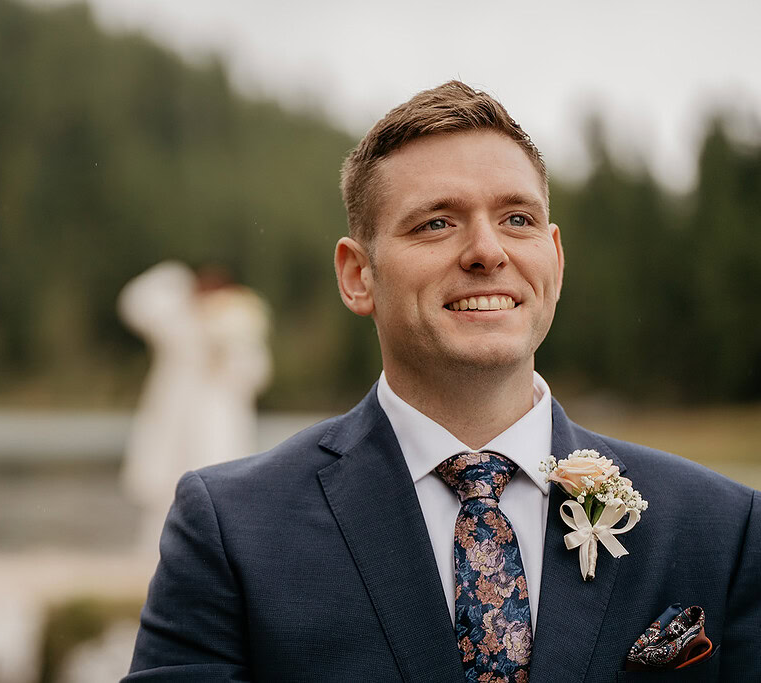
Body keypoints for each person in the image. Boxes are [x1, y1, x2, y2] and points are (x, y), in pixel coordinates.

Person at [124, 81, 760, 681]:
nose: (488, 251)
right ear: (357, 276)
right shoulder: (232, 529)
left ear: (556, 260)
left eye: (517, 219)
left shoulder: (721, 529)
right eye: (436, 222)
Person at [118, 261, 271, 553]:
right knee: (166, 491)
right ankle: (156, 554)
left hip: (221, 421)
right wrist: (179, 279)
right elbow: (135, 302)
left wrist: (227, 349)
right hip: (175, 418)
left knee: (222, 486)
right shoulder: (178, 321)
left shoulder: (240, 323)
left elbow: (256, 374)